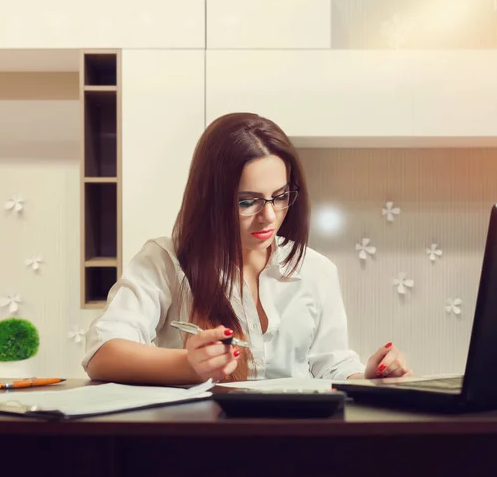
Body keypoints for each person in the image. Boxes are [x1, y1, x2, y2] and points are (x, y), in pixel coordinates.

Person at [83, 112, 412, 384]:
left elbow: (332, 366)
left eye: (280, 196)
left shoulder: (316, 270)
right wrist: (188, 365)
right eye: (246, 201)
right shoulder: (167, 261)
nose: (269, 216)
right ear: (210, 199)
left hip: (297, 445)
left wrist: (371, 380)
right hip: (200, 445)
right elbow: (102, 353)